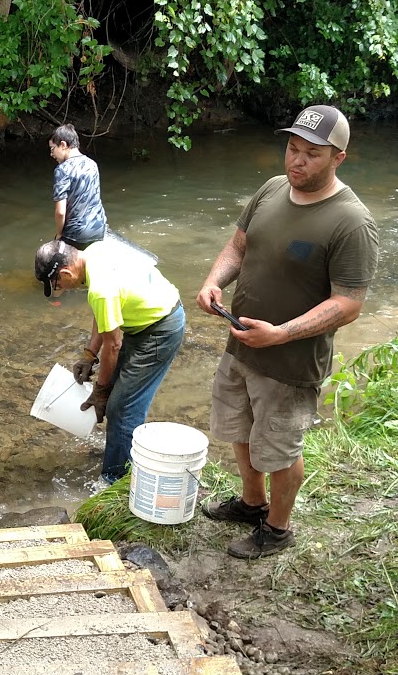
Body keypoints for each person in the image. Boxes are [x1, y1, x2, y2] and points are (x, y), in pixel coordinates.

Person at [197, 104, 378, 560]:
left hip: (291, 361)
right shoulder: (272, 189)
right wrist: (213, 281)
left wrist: (281, 334)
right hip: (240, 344)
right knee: (239, 427)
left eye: (311, 154)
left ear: (339, 157)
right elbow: (238, 246)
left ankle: (277, 530)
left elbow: (349, 303)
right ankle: (251, 503)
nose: (296, 161)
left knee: (278, 446)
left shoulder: (351, 222)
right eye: (292, 148)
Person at [34, 237, 185, 483]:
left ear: (65, 272)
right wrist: (89, 354)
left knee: (122, 407)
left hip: (159, 330)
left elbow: (113, 344)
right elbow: (103, 314)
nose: (62, 287)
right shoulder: (96, 251)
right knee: (120, 398)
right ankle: (122, 455)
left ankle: (117, 481)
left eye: (58, 283)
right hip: (150, 319)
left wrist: (101, 391)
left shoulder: (99, 290)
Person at [49, 125, 107, 248]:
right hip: (99, 227)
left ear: (63, 145)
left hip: (76, 234)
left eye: (52, 148)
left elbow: (60, 212)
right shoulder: (92, 164)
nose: (51, 154)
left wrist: (59, 234)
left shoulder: (62, 170)